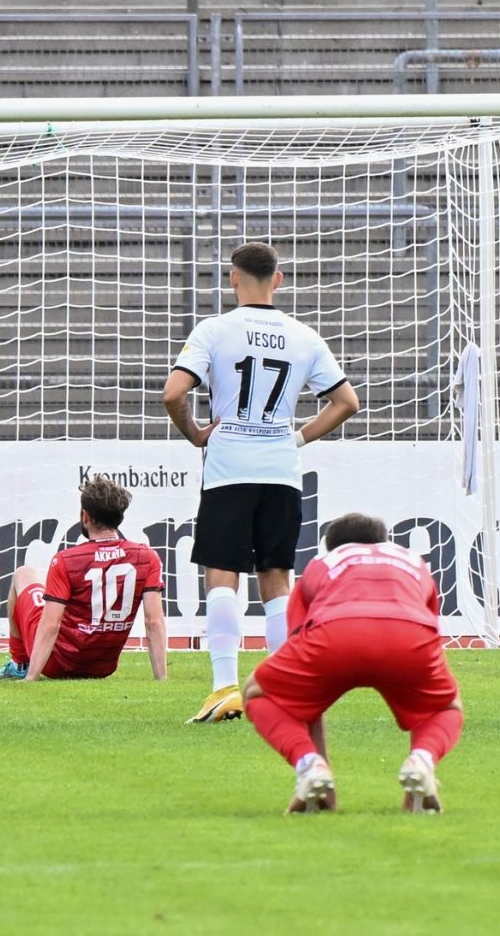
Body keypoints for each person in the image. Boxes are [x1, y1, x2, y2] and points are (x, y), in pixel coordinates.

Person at [163, 241, 360, 724]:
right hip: (280, 472)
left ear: (233, 277)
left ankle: (224, 688)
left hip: (230, 469)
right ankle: (284, 692)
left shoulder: (214, 330)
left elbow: (173, 393)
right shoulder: (304, 336)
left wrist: (195, 434)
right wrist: (296, 438)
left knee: (222, 575)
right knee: (276, 579)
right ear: (279, 279)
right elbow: (347, 402)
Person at [243, 513, 464, 815]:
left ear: (332, 547)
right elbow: (430, 628)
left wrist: (318, 763)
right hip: (408, 636)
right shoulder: (414, 562)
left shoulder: (322, 563)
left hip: (335, 633)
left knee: (258, 691)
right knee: (444, 706)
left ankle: (309, 767)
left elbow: (300, 666)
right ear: (383, 542)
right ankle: (422, 761)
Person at [0, 475, 168, 684]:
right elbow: (154, 621)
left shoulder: (66, 560)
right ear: (119, 517)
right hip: (102, 667)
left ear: (85, 516)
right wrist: (162, 680)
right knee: (42, 581)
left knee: (23, 574)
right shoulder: (147, 557)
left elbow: (50, 624)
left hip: (56, 664)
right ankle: (25, 665)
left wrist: (31, 678)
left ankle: (20, 666)